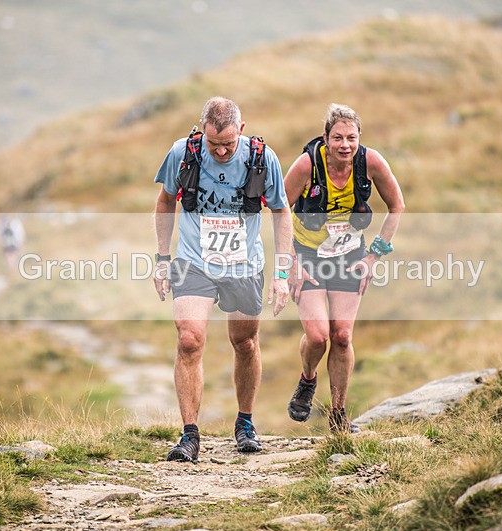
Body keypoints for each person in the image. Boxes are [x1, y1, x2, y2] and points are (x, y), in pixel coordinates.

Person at [153, 96, 293, 462]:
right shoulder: (182, 153)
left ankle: (245, 423)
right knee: (189, 339)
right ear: (202, 134)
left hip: (244, 264)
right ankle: (189, 435)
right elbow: (166, 202)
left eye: (228, 144)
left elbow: (281, 211)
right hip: (193, 260)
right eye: (214, 145)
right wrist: (162, 258)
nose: (221, 151)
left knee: (244, 342)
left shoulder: (263, 159)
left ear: (241, 132)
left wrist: (281, 273)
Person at [283, 103, 405, 434]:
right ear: (326, 138)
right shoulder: (307, 164)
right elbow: (278, 209)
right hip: (306, 255)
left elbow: (397, 206)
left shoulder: (371, 162)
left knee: (341, 335)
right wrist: (290, 261)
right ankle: (308, 380)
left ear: (359, 138)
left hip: (350, 256)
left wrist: (373, 257)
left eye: (351, 137)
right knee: (318, 336)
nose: (345, 145)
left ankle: (338, 415)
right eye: (337, 137)